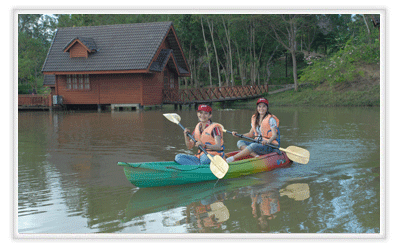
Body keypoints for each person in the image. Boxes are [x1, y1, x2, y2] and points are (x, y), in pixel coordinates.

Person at [226, 98, 280, 163]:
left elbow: (274, 135)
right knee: (239, 142)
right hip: (258, 143)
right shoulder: (255, 118)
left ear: (267, 108)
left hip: (268, 146)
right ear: (257, 108)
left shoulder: (271, 119)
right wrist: (239, 135)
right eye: (259, 106)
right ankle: (256, 156)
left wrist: (268, 141)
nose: (261, 108)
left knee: (253, 145)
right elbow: (250, 134)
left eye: (264, 106)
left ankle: (231, 159)